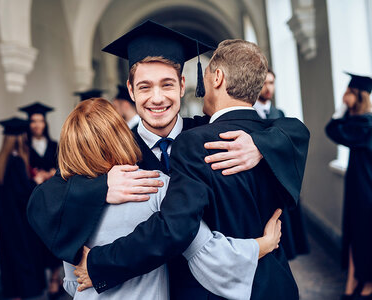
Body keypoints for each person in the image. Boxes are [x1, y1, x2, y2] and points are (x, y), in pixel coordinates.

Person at [27, 21, 309, 299]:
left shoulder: (208, 134)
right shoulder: (114, 149)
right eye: (145, 87)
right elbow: (43, 202)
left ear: (183, 84)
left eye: (167, 84)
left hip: (215, 288)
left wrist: (259, 144)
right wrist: (101, 187)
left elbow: (291, 129)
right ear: (130, 89)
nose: (157, 98)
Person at [57, 98, 283, 299]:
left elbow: (71, 283)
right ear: (121, 135)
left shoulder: (66, 206)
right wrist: (263, 244)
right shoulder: (154, 187)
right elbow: (209, 255)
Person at [254, 69, 310, 260]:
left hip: (280, 180)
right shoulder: (250, 116)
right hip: (261, 183)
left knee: (285, 235)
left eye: (271, 83)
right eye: (264, 83)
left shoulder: (280, 114)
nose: (268, 87)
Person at [326, 72, 372, 300]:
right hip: (358, 186)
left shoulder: (367, 124)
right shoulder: (360, 122)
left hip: (367, 190)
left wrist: (342, 110)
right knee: (355, 233)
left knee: (365, 235)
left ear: (359, 95)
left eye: (348, 93)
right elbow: (333, 130)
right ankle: (353, 280)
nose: (344, 97)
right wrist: (345, 109)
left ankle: (367, 285)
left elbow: (333, 129)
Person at [0, 117, 46, 300]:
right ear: (21, 137)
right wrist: (36, 182)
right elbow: (24, 195)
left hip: (5, 225)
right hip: (21, 225)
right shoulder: (16, 163)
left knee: (10, 261)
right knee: (24, 261)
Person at [18, 102, 62, 298]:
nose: (37, 125)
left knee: (54, 236)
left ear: (45, 123)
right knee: (37, 240)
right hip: (34, 200)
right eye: (34, 121)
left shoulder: (54, 145)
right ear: (29, 124)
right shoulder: (24, 149)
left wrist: (52, 173)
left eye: (40, 121)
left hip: (53, 199)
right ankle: (48, 279)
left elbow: (63, 168)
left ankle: (54, 278)